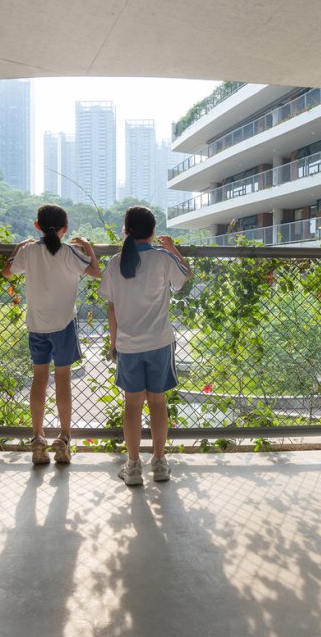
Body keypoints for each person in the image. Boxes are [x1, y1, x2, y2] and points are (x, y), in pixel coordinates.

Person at [98, 206, 191, 486]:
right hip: (159, 343)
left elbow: (111, 308)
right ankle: (160, 463)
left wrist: (114, 344)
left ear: (126, 231)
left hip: (128, 345)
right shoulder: (162, 259)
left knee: (132, 405)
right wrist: (173, 249)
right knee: (158, 402)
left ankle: (133, 465)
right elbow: (185, 276)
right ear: (153, 232)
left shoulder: (115, 262)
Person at [3, 204, 101, 465]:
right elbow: (95, 272)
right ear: (65, 229)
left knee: (39, 379)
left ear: (37, 226)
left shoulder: (28, 251)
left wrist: (15, 249)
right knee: (63, 379)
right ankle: (64, 437)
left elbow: (6, 272)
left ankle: (37, 437)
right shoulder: (70, 252)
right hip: (64, 325)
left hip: (37, 325)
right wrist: (89, 248)